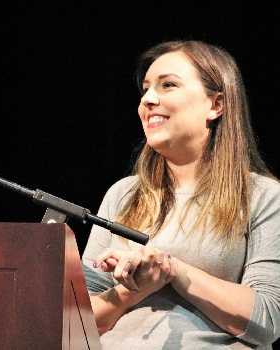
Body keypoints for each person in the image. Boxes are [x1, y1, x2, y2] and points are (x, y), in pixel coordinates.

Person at [82, 40, 280, 349]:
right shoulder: (122, 194)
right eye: (145, 89)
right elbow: (77, 321)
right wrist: (133, 289)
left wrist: (174, 270)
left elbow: (266, 321)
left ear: (216, 105)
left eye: (168, 85)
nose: (148, 99)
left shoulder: (262, 195)